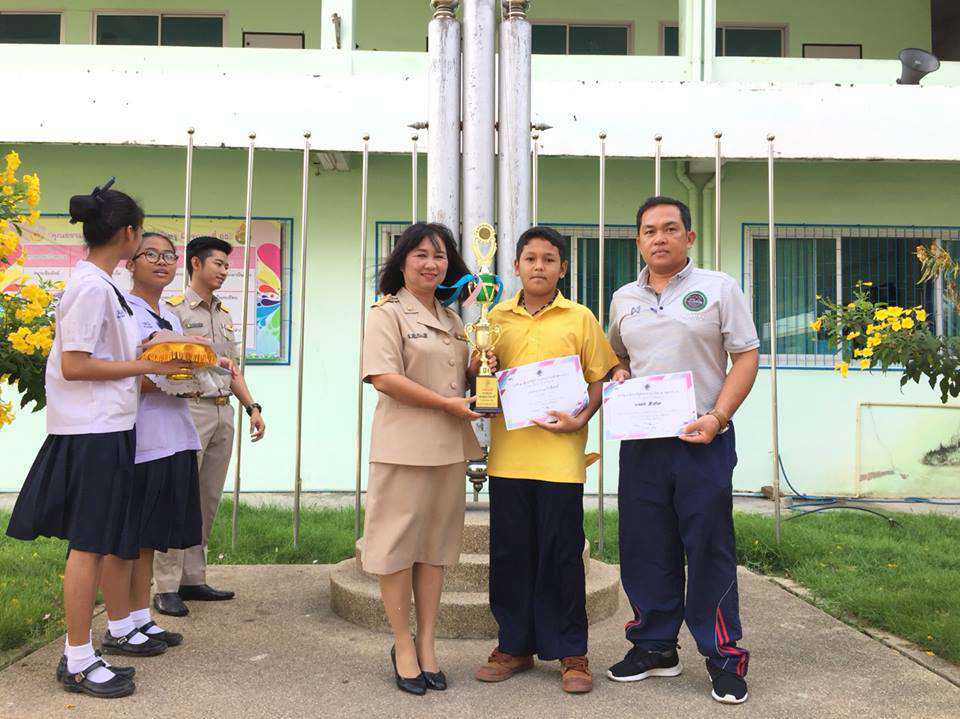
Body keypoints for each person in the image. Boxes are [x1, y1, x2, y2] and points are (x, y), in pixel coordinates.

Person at [6, 183, 190, 698]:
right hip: (90, 433)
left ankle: (87, 650)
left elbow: (110, 353)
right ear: (128, 234)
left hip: (108, 429)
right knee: (88, 548)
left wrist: (165, 350)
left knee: (98, 544)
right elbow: (76, 364)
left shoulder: (104, 287)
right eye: (142, 236)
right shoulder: (90, 288)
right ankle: (78, 659)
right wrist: (147, 367)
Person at [605, 196, 760, 705]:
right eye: (650, 230)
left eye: (670, 228)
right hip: (642, 444)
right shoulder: (624, 298)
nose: (660, 238)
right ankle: (654, 647)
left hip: (702, 440)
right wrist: (618, 373)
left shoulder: (719, 288)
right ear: (639, 241)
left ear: (689, 237)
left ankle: (723, 657)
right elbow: (618, 357)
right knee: (645, 547)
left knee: (708, 547)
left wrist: (718, 417)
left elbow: (745, 356)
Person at [473, 226, 619, 695]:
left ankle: (572, 651)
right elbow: (478, 378)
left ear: (563, 268)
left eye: (549, 259)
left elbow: (600, 379)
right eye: (531, 258)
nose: (539, 266)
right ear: (516, 266)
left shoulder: (580, 318)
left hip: (561, 460)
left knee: (562, 556)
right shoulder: (494, 317)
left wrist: (582, 418)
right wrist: (481, 367)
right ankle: (513, 646)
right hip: (509, 459)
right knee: (510, 555)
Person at [361, 222, 484, 696]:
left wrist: (479, 368)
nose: (432, 264)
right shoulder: (387, 313)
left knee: (435, 550)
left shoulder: (452, 318)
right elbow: (384, 378)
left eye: (440, 257)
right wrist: (446, 404)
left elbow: (459, 379)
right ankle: (401, 643)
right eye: (421, 255)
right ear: (403, 262)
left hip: (449, 448)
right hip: (404, 448)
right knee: (396, 549)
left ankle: (427, 641)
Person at [152, 235, 266, 617]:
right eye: (218, 263)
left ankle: (193, 578)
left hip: (222, 412)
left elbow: (230, 369)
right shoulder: (174, 311)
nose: (224, 271)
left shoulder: (224, 314)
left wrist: (252, 406)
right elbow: (164, 362)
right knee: (177, 496)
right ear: (196, 264)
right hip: (189, 410)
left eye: (227, 265)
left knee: (206, 499)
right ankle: (166, 585)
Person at [121, 231, 207, 647]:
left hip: (175, 435)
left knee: (152, 537)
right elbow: (126, 375)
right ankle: (122, 623)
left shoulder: (170, 318)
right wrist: (174, 378)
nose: (161, 262)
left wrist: (192, 379)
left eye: (168, 256)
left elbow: (179, 372)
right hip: (141, 440)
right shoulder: (124, 311)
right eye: (150, 254)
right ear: (130, 262)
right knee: (131, 538)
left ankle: (141, 618)